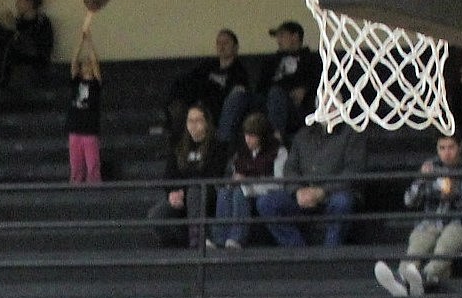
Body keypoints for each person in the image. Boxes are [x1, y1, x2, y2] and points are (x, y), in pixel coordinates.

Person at [374, 132, 462, 297]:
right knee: (417, 245)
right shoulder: (430, 166)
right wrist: (422, 179)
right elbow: (409, 200)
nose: (446, 152)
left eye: (451, 147)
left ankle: (423, 278)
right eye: (442, 148)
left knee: (445, 245)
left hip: (460, 222)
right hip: (431, 221)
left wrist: (453, 193)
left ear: (460, 147)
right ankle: (402, 280)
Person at [255, 119, 365, 247]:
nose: (328, 107)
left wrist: (322, 191)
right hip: (303, 195)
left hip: (333, 195)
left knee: (343, 201)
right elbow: (290, 168)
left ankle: (330, 254)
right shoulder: (303, 135)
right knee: (266, 202)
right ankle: (298, 250)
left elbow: (353, 171)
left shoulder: (352, 133)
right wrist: (297, 191)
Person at [147, 104, 228, 248]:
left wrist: (184, 190)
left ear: (206, 123)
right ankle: (182, 242)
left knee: (194, 190)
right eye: (190, 121)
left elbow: (213, 174)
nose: (193, 125)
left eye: (198, 121)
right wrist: (173, 193)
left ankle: (198, 240)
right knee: (155, 215)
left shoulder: (217, 146)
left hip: (206, 195)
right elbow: (169, 176)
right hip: (182, 196)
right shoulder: (179, 146)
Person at [210, 110, 285, 249]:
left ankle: (237, 238)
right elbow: (233, 173)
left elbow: (279, 183)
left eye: (253, 136)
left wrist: (249, 184)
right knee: (224, 193)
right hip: (242, 189)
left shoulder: (279, 152)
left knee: (241, 192)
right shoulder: (241, 153)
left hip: (264, 192)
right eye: (246, 135)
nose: (248, 139)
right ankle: (219, 238)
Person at [165, 29, 250, 145]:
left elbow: (236, 99)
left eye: (226, 43)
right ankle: (178, 148)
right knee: (178, 100)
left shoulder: (239, 71)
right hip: (197, 109)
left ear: (235, 47)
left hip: (217, 115)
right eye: (219, 43)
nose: (221, 46)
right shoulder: (207, 66)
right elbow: (186, 81)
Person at [252, 20, 322, 142]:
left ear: (295, 37)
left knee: (276, 93)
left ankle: (276, 141)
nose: (278, 41)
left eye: (282, 36)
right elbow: (260, 88)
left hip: (297, 108)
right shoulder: (271, 62)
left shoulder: (311, 60)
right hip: (270, 101)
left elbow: (319, 82)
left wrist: (305, 89)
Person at [68, 32, 103, 185]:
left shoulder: (95, 83)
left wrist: (90, 43)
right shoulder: (76, 81)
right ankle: (75, 185)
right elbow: (74, 63)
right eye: (85, 64)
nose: (87, 65)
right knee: (76, 165)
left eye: (88, 64)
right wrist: (80, 44)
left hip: (89, 130)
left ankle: (94, 185)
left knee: (92, 164)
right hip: (75, 129)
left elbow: (96, 64)